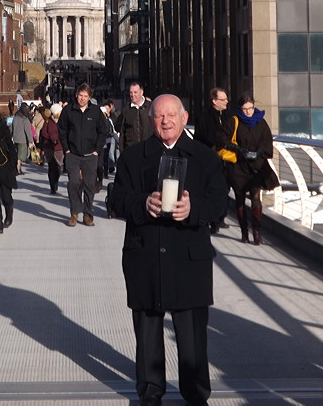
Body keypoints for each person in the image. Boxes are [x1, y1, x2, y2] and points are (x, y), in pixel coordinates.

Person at [110, 94, 227, 406]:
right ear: (151, 120)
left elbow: (220, 204)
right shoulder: (132, 158)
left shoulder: (205, 158)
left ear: (184, 118)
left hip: (189, 259)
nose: (166, 121)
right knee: (147, 333)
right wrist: (142, 203)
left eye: (172, 115)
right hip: (144, 256)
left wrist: (194, 208)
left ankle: (196, 393)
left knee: (192, 338)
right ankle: (150, 392)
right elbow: (115, 200)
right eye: (160, 116)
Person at [217, 91, 279, 245]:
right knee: (239, 198)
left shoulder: (261, 122)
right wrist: (239, 150)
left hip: (256, 166)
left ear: (254, 106)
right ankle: (244, 232)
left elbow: (267, 142)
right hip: (238, 166)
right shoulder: (233, 121)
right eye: (245, 109)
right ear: (240, 108)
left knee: (256, 198)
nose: (248, 112)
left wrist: (258, 153)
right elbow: (222, 139)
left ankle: (256, 231)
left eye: (250, 108)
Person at [58, 83, 110, 227]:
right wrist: (66, 149)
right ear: (76, 95)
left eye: (85, 96)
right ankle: (74, 212)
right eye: (80, 95)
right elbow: (61, 130)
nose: (82, 98)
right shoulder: (69, 110)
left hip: (90, 155)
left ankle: (88, 215)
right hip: (73, 154)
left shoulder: (95, 112)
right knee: (74, 183)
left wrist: (97, 150)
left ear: (89, 98)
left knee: (89, 186)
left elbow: (103, 131)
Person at [194, 87, 232, 233]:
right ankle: (213, 220)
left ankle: (221, 217)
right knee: (210, 188)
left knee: (225, 188)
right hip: (210, 158)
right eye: (223, 99)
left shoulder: (230, 116)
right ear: (214, 101)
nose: (226, 102)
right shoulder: (203, 117)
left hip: (227, 159)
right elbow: (201, 137)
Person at [116, 81, 152, 152]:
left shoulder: (151, 107)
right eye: (131, 92)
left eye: (135, 92)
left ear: (141, 93)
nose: (132, 95)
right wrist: (122, 151)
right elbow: (122, 131)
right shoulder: (126, 110)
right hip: (131, 150)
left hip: (149, 149)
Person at [40, 104, 64, 194]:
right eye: (59, 111)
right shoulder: (48, 121)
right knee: (51, 166)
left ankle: (56, 181)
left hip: (59, 147)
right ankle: (52, 186)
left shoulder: (63, 121)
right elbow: (43, 133)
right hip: (49, 147)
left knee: (58, 167)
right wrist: (51, 137)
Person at [11, 103, 34, 174]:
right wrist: (31, 140)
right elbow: (28, 131)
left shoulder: (15, 117)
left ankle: (18, 169)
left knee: (17, 154)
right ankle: (17, 170)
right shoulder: (25, 119)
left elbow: (12, 128)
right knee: (20, 156)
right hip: (22, 139)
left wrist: (10, 136)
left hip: (15, 138)